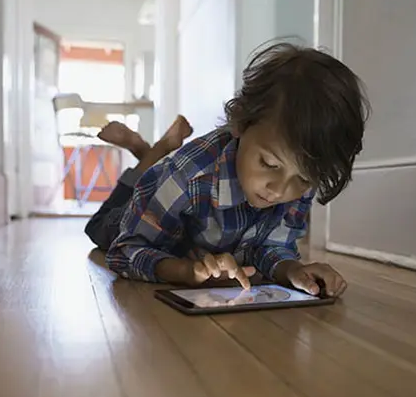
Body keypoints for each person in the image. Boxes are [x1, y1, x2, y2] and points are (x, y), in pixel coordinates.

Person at [86, 42, 370, 297]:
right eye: (269, 164)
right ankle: (152, 152)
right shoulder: (187, 177)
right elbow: (125, 251)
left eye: (304, 179)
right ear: (240, 123)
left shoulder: (299, 177)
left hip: (175, 206)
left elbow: (271, 247)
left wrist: (292, 270)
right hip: (139, 215)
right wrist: (186, 272)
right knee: (100, 226)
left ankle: (153, 153)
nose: (281, 190)